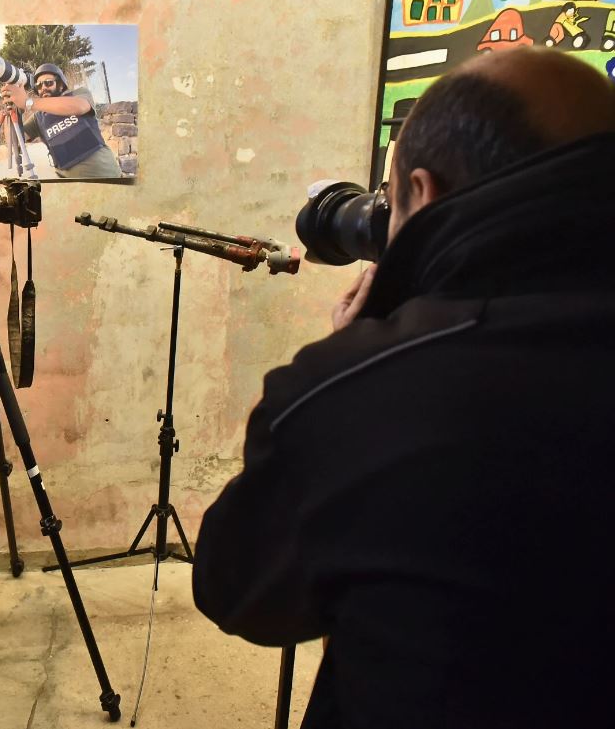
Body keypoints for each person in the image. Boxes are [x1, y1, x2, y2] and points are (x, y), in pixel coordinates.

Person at [191, 47, 615, 728]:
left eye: (390, 204)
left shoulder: (361, 392)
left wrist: (355, 352)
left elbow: (236, 587)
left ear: (424, 191)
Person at [0, 63, 124, 178]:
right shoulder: (38, 117)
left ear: (60, 84)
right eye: (39, 85)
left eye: (48, 83)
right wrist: (12, 112)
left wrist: (28, 102)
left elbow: (80, 106)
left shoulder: (79, 94)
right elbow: (13, 141)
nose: (43, 88)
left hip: (106, 177)